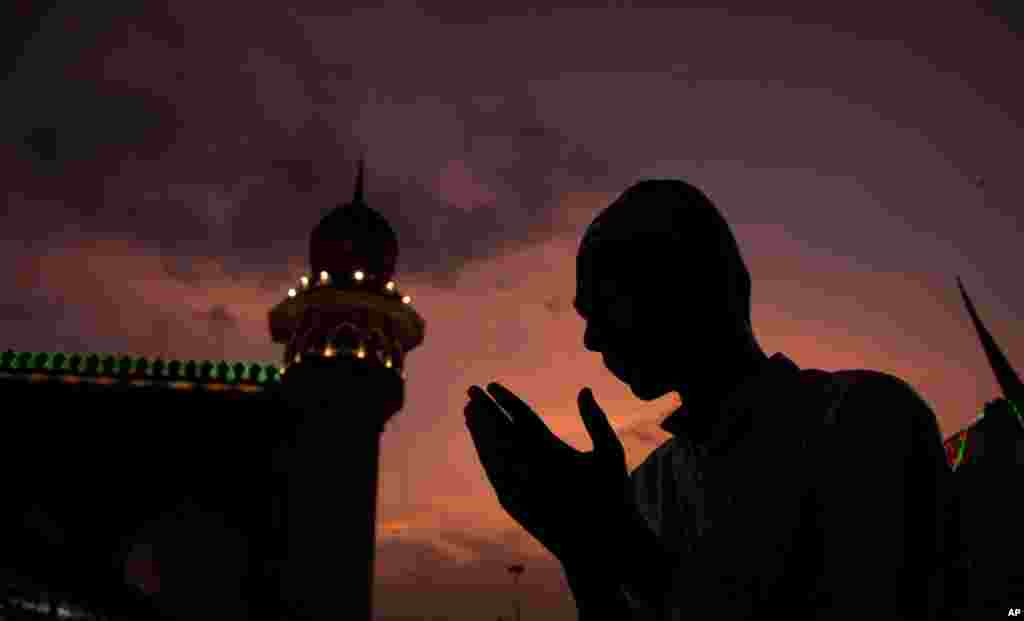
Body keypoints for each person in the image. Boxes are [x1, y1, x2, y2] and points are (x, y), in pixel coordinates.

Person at [464, 180, 952, 620]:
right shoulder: (648, 488)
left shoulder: (864, 422)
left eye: (605, 301)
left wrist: (627, 550)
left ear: (689, 282)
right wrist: (582, 553)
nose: (591, 338)